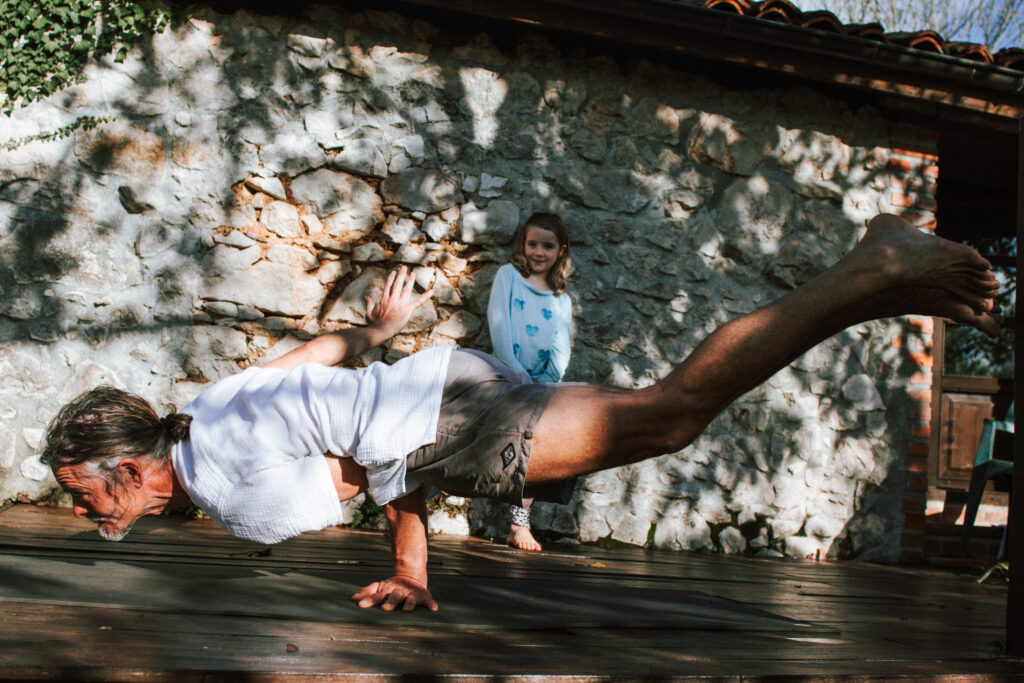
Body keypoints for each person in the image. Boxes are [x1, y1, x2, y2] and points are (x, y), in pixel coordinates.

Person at [41, 213, 1002, 614]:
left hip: (451, 427)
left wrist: (404, 556)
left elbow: (376, 476)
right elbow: (317, 359)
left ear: (129, 468)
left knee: (670, 414)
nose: (85, 515)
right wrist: (377, 332)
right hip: (449, 381)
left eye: (82, 496)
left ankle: (871, 268)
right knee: (666, 413)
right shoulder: (206, 406)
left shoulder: (222, 490)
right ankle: (873, 287)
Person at [486, 212, 573, 551]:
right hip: (507, 378)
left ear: (560, 251)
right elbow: (500, 325)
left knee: (539, 446)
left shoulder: (560, 298)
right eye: (533, 243)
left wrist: (548, 381)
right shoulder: (508, 277)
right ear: (523, 244)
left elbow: (560, 347)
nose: (538, 252)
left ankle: (519, 523)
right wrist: (517, 375)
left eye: (547, 246)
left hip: (541, 387)